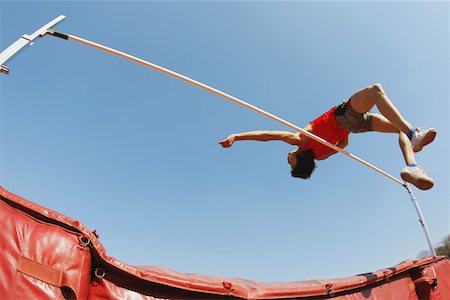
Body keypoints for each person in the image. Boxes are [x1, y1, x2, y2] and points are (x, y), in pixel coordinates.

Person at [218, 84, 436, 190]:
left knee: (397, 127)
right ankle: (412, 134)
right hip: (346, 116)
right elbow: (267, 135)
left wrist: (344, 131)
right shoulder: (299, 141)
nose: (287, 159)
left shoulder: (320, 156)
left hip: (354, 126)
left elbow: (345, 143)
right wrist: (236, 136)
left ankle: (412, 166)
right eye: (290, 164)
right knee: (375, 90)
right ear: (298, 161)